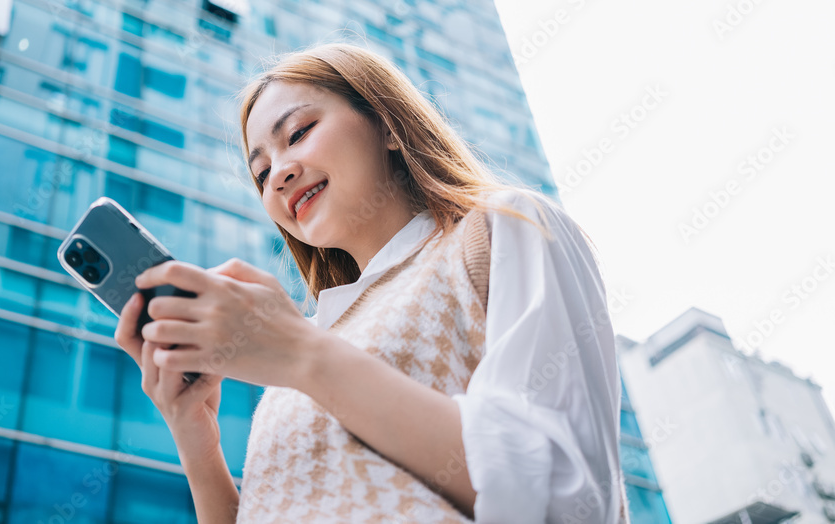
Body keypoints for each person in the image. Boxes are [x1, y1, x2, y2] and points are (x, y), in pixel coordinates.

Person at [113, 42, 628, 523]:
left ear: (385, 123)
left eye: (297, 134)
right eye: (261, 172)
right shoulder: (305, 347)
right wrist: (196, 440)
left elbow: (568, 499)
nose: (278, 176)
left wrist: (302, 355)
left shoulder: (501, 228)